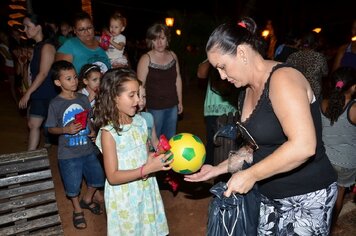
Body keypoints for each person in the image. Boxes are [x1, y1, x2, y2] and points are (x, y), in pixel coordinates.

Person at [185, 17, 338, 235]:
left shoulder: (283, 79)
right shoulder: (245, 92)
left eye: (222, 67)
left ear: (242, 54)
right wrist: (217, 169)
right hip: (269, 195)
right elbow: (253, 149)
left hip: (306, 196)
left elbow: (304, 146)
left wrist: (251, 175)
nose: (220, 75)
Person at [94, 68, 171, 235]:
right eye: (132, 95)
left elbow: (144, 155)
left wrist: (155, 158)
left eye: (139, 94)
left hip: (145, 187)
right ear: (114, 97)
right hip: (124, 197)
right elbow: (113, 177)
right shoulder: (109, 133)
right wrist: (147, 169)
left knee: (147, 228)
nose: (138, 100)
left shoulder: (141, 122)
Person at [45, 60, 105, 230]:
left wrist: (92, 131)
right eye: (68, 78)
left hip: (87, 148)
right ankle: (77, 209)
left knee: (97, 178)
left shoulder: (83, 98)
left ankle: (87, 199)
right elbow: (50, 129)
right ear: (58, 82)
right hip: (68, 154)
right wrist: (65, 129)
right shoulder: (55, 103)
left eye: (75, 77)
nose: (74, 81)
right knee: (72, 185)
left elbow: (89, 119)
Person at [320, 66, 356, 235]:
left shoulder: (324, 103)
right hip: (345, 163)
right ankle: (332, 227)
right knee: (339, 195)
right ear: (354, 87)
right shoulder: (354, 108)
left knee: (323, 193)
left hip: (323, 159)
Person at [18, 14, 59, 150]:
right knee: (33, 125)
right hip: (39, 92)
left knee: (57, 127)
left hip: (49, 93)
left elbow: (43, 73)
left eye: (28, 26)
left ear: (38, 27)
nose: (25, 30)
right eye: (24, 27)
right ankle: (30, 157)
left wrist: (27, 93)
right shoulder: (37, 46)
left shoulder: (47, 47)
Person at [137, 23, 183, 140]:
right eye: (155, 39)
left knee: (170, 140)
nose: (159, 43)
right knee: (154, 141)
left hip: (172, 105)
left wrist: (180, 101)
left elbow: (177, 78)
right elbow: (140, 86)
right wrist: (140, 106)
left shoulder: (173, 56)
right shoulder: (145, 59)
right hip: (154, 108)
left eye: (162, 38)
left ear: (167, 39)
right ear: (150, 41)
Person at [197, 58, 237, 165]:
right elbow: (201, 74)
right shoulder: (212, 56)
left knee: (232, 143)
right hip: (213, 110)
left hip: (233, 109)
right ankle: (208, 170)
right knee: (212, 142)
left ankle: (226, 171)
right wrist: (213, 58)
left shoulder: (236, 54)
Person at [286, 31, 329, 100]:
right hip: (314, 92)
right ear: (316, 43)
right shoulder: (319, 57)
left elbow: (287, 72)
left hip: (297, 89)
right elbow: (325, 73)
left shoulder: (293, 56)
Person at [137, 82, 159, 151]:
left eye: (143, 96)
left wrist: (162, 153)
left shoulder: (148, 117)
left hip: (151, 157)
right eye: (138, 96)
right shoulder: (127, 122)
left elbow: (155, 141)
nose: (142, 101)